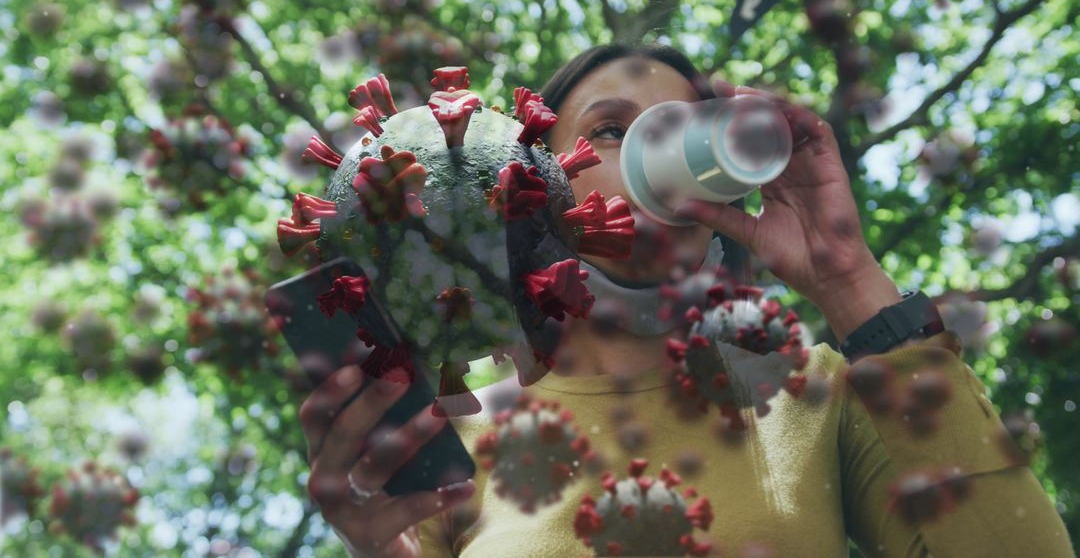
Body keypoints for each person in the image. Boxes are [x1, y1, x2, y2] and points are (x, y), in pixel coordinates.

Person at [300, 43, 1074, 557]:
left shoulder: (815, 392)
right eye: (611, 130)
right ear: (536, 187)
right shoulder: (464, 423)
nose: (657, 151)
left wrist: (849, 278)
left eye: (685, 131)